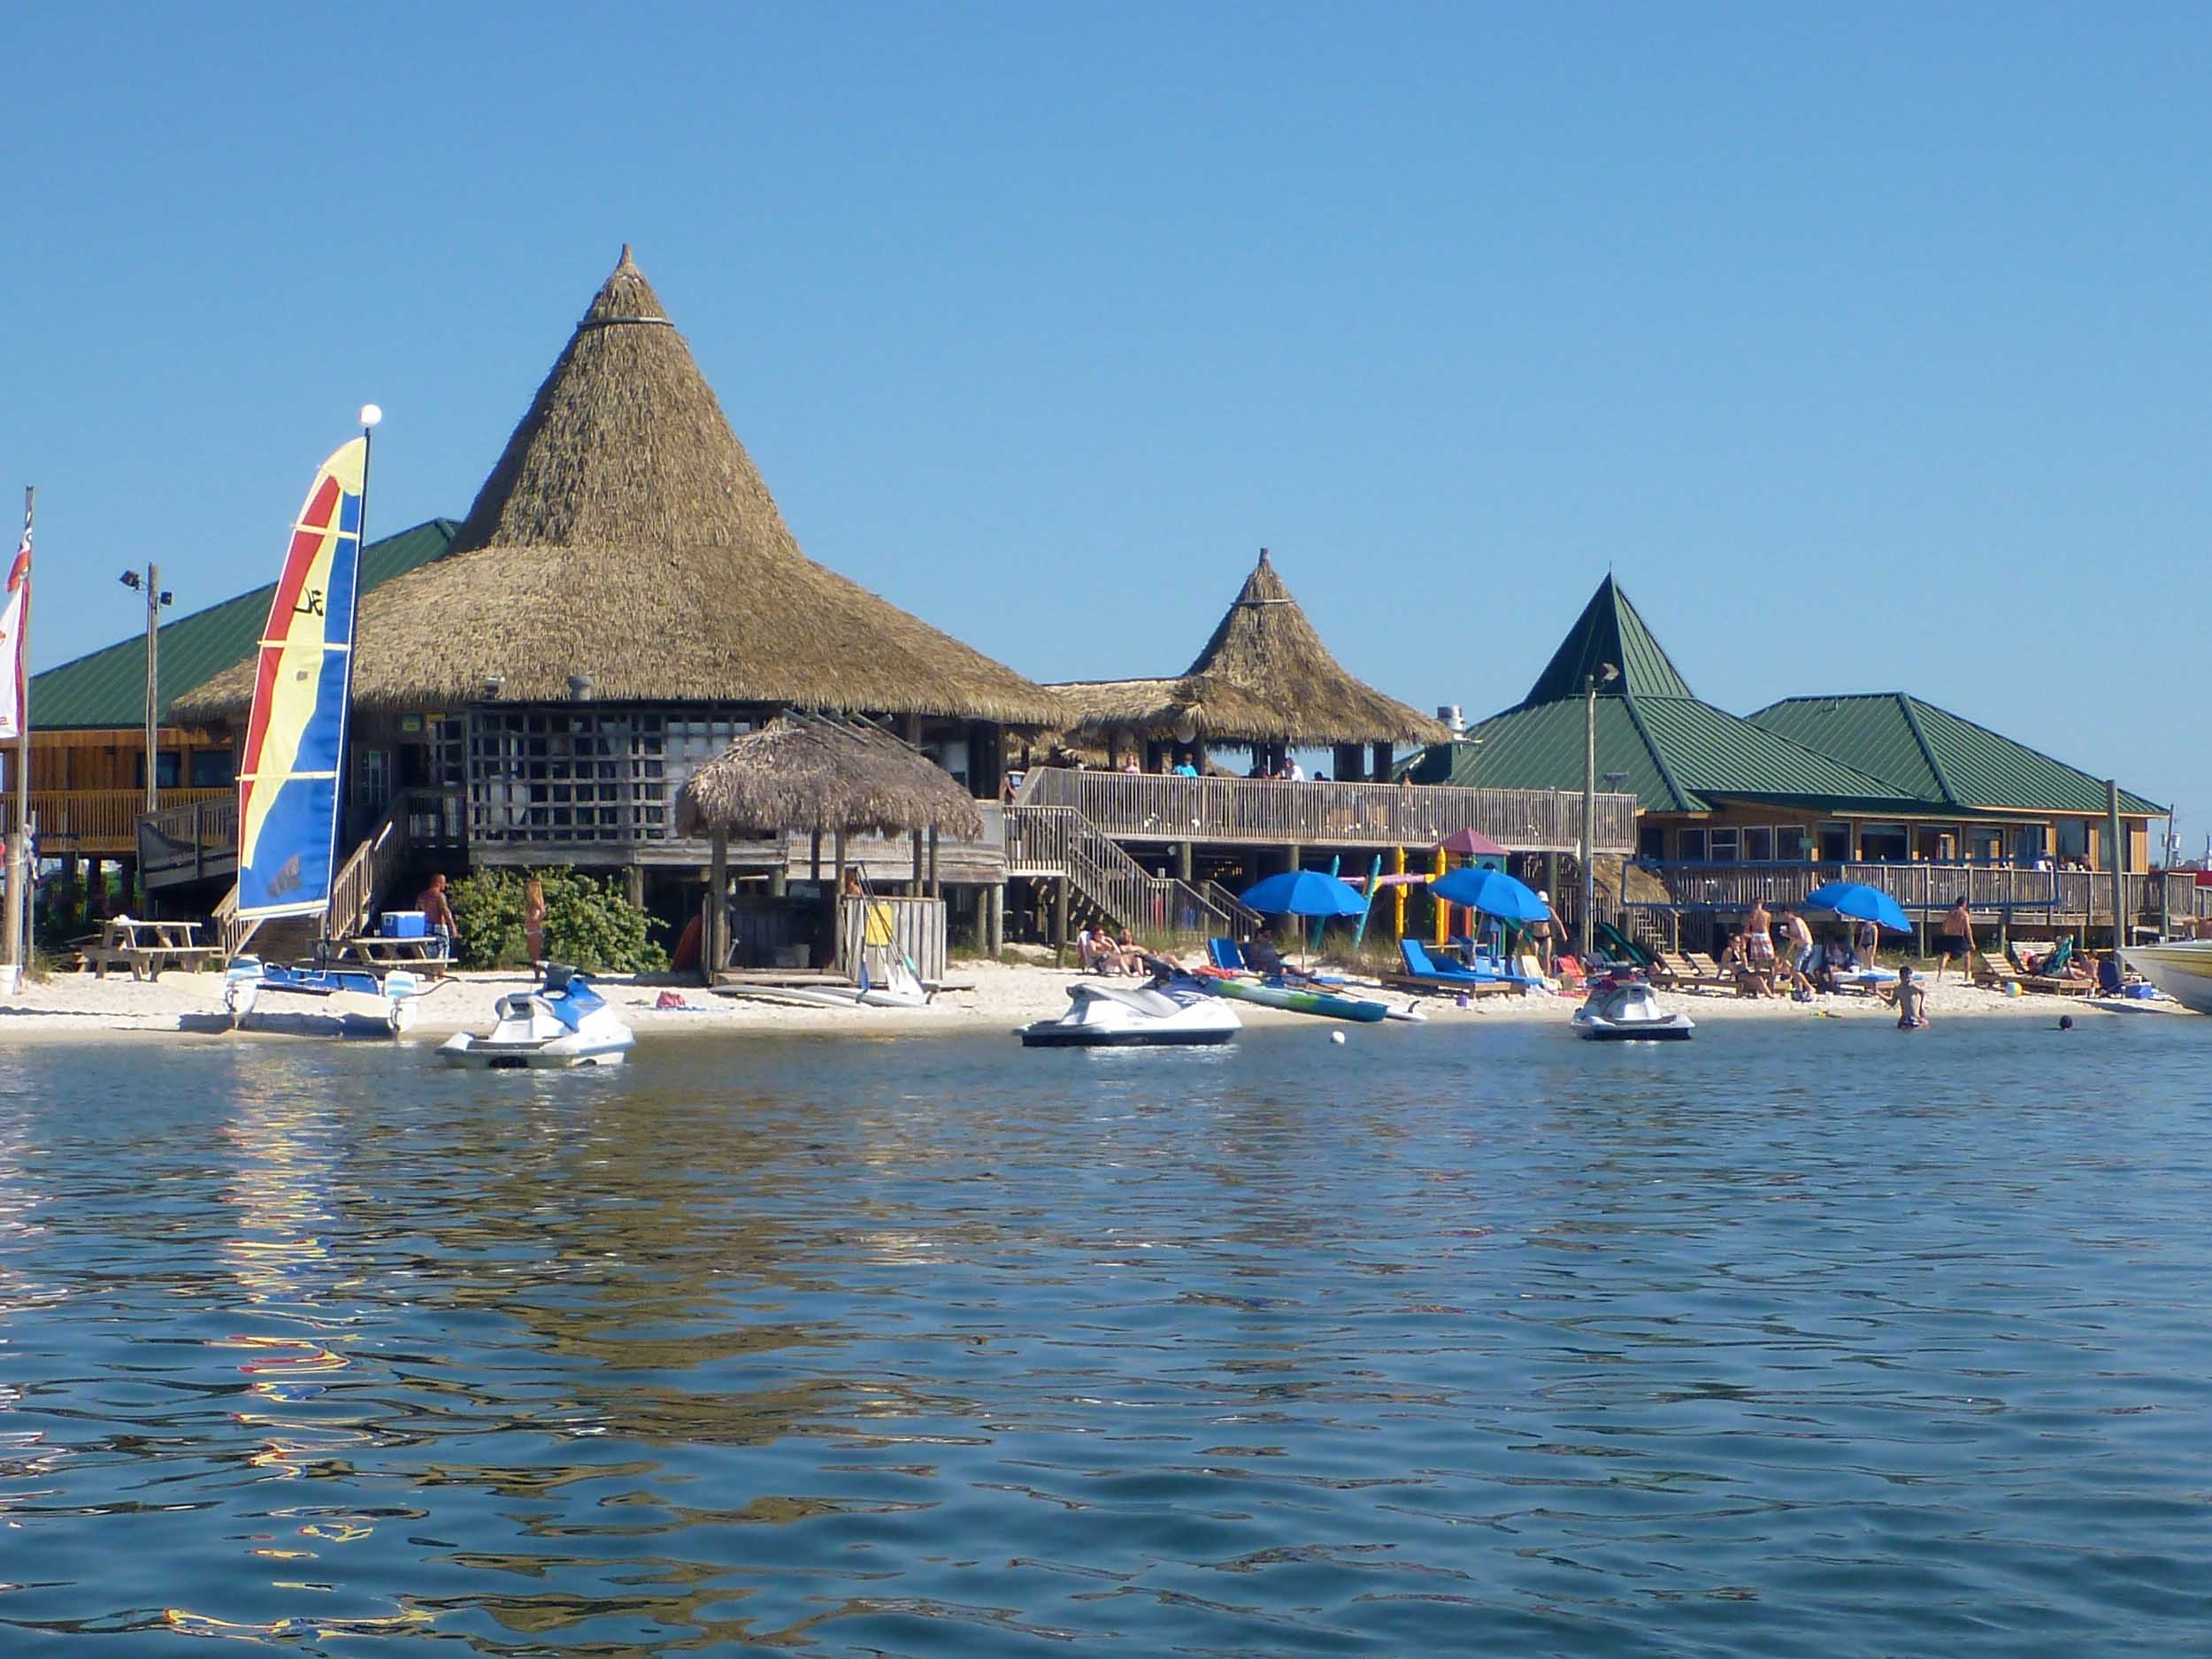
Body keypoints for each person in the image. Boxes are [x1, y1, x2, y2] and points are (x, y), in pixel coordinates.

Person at [417, 872, 457, 954]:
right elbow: (445, 911)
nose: (445, 885)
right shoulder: (440, 896)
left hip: (426, 927)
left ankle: (431, 967)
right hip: (439, 926)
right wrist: (452, 926)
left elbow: (418, 910)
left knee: (429, 952)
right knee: (442, 950)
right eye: (444, 883)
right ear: (438, 883)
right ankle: (441, 966)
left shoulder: (422, 896)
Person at [1935, 895, 1972, 981]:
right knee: (1967, 955)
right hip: (1959, 936)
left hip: (1949, 936)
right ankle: (1966, 977)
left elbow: (1944, 926)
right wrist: (1971, 942)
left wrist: (1946, 932)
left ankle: (1940, 975)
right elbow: (1968, 928)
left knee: (1945, 956)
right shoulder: (1964, 914)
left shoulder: (1950, 913)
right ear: (1964, 904)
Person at [1886, 963, 1930, 1028]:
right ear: (1901, 977)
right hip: (1904, 1018)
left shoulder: (1913, 987)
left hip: (1915, 1018)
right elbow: (1892, 1003)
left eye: (1910, 978)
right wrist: (1878, 993)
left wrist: (1921, 1007)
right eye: (1906, 978)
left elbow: (1923, 992)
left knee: (1923, 1025)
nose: (1909, 980)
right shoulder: (1898, 989)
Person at [1525, 894, 1555, 975]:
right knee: (1534, 956)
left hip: (1546, 936)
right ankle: (1536, 973)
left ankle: (1547, 975)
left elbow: (1558, 921)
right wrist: (1521, 931)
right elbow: (1527, 923)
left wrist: (1563, 933)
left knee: (1546, 957)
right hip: (1536, 936)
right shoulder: (1533, 911)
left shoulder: (1549, 910)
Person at [523, 876, 547, 964]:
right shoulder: (531, 905)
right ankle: (537, 976)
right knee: (533, 956)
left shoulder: (536, 906)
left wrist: (532, 919)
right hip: (531, 932)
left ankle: (537, 977)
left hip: (535, 932)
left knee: (536, 957)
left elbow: (537, 917)